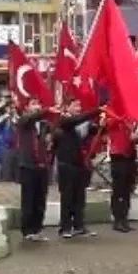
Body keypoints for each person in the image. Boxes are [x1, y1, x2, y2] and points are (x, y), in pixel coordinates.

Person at [52, 99, 102, 239]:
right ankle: (65, 227)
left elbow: (97, 131)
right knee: (67, 197)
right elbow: (75, 120)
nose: (79, 108)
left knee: (79, 197)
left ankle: (79, 225)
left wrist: (105, 123)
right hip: (66, 164)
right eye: (75, 105)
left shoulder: (84, 124)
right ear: (67, 107)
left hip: (81, 163)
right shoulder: (63, 120)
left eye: (80, 105)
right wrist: (96, 110)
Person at [14, 100, 51, 242]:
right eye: (33, 104)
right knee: (28, 199)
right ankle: (27, 230)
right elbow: (31, 118)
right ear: (27, 107)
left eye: (39, 104)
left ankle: (37, 228)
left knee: (40, 199)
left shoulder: (44, 125)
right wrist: (47, 110)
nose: (37, 106)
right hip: (28, 165)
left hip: (43, 166)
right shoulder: (24, 122)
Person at [106, 116, 138, 233]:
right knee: (118, 190)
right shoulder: (114, 118)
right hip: (118, 156)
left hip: (130, 156)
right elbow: (108, 125)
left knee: (127, 189)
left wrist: (136, 138)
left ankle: (124, 218)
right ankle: (117, 219)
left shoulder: (130, 120)